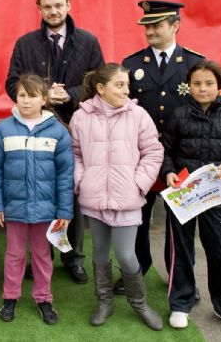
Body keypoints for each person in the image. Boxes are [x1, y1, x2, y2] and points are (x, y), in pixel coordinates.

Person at [5, 0, 104, 283]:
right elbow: (12, 85)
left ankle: (72, 257)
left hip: (77, 130)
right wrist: (45, 94)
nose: (53, 11)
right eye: (47, 6)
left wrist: (70, 94)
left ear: (69, 4)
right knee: (40, 191)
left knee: (70, 193)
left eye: (58, 5)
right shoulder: (25, 44)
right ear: (39, 9)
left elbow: (99, 82)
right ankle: (39, 257)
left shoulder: (88, 42)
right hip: (37, 130)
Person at [161, 61, 221, 333]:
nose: (203, 88)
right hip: (183, 195)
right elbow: (165, 151)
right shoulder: (178, 116)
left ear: (219, 86)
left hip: (216, 197)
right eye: (197, 83)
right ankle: (180, 304)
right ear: (188, 86)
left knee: (219, 251)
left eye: (209, 83)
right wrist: (168, 172)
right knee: (180, 251)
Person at [70, 64, 164, 330]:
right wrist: (81, 180)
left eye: (127, 85)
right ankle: (104, 302)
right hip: (94, 198)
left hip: (127, 199)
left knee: (125, 255)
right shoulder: (81, 117)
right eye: (119, 85)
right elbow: (75, 153)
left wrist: (139, 183)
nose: (126, 90)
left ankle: (140, 303)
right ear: (101, 88)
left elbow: (153, 152)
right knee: (99, 254)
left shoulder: (138, 115)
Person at [120, 0, 204, 294]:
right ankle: (137, 270)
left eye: (156, 25)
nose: (150, 31)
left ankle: (178, 277)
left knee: (180, 223)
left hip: (181, 159)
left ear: (175, 26)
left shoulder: (195, 65)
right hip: (140, 157)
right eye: (147, 25)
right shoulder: (131, 66)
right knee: (137, 219)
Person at [0, 74, 74, 325]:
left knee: (42, 256)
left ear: (44, 99)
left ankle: (44, 298)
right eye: (22, 95)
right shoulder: (2, 129)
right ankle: (10, 297)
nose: (26, 101)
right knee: (14, 254)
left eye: (32, 96)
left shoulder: (58, 132)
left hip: (46, 211)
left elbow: (65, 174)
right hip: (13, 208)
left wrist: (64, 211)